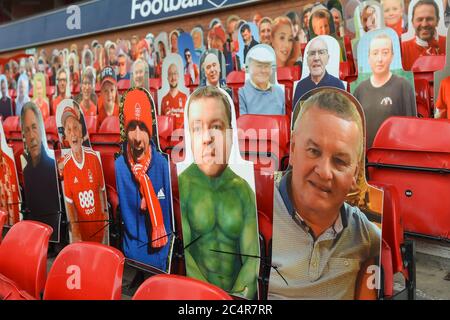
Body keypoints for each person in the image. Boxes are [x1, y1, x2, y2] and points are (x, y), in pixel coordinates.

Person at [268, 88, 381, 300]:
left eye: (339, 161)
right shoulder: (255, 215)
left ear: (354, 173)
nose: (324, 172)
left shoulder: (365, 234)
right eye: (313, 151)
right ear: (292, 149)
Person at [179, 86, 259, 299]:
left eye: (216, 127)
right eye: (197, 128)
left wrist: (234, 300)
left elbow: (252, 259)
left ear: (230, 134)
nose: (207, 138)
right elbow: (185, 254)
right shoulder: (182, 186)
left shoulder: (244, 192)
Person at [115, 88, 173, 271]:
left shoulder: (163, 164)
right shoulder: (119, 166)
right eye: (132, 127)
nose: (138, 138)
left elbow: (169, 221)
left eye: (143, 128)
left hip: (159, 255)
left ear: (151, 129)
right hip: (130, 256)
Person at [354, 33, 416, 147]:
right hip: (368, 159)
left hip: (395, 156)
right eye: (375, 53)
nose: (380, 59)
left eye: (385, 53)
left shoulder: (403, 86)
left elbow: (411, 127)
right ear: (368, 57)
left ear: (392, 56)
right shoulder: (359, 90)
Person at [60, 103, 108, 244]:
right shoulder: (67, 165)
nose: (73, 133)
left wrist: (104, 216)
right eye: (69, 130)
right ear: (66, 137)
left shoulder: (94, 158)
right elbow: (70, 203)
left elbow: (102, 191)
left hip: (98, 224)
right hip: (82, 229)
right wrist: (75, 230)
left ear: (81, 131)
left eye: (75, 127)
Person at [21, 102, 60, 242]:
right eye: (27, 130)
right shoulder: (26, 171)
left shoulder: (52, 166)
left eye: (34, 128)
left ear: (41, 129)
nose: (31, 136)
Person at [293, 37, 345, 107]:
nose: (316, 58)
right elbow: (297, 115)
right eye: (312, 53)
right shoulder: (300, 86)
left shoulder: (337, 85)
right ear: (307, 60)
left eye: (321, 53)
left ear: (327, 58)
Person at [239, 45, 285, 115]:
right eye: (259, 66)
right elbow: (241, 123)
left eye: (266, 66)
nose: (263, 70)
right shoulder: (241, 92)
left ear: (271, 69)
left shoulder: (279, 92)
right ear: (250, 67)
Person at [401, 0, 446, 70]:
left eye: (429, 19)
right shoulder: (403, 49)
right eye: (419, 19)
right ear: (412, 22)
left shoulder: (448, 44)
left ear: (437, 21)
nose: (424, 24)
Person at [161, 63, 187, 130]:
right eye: (170, 74)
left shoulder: (185, 98)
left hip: (182, 138)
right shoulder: (164, 100)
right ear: (167, 78)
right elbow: (162, 126)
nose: (173, 77)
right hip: (169, 138)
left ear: (178, 76)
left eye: (175, 73)